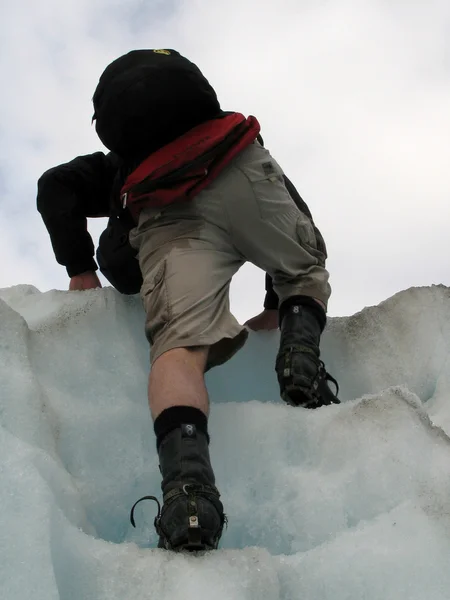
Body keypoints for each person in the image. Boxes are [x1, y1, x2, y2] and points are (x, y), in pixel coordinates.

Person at [37, 49, 339, 553]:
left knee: (179, 350)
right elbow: (298, 223)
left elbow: (54, 186)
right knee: (304, 269)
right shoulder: (224, 137)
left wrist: (81, 269)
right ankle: (300, 354)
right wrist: (275, 301)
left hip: (167, 218)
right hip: (240, 170)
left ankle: (189, 494)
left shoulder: (120, 170)